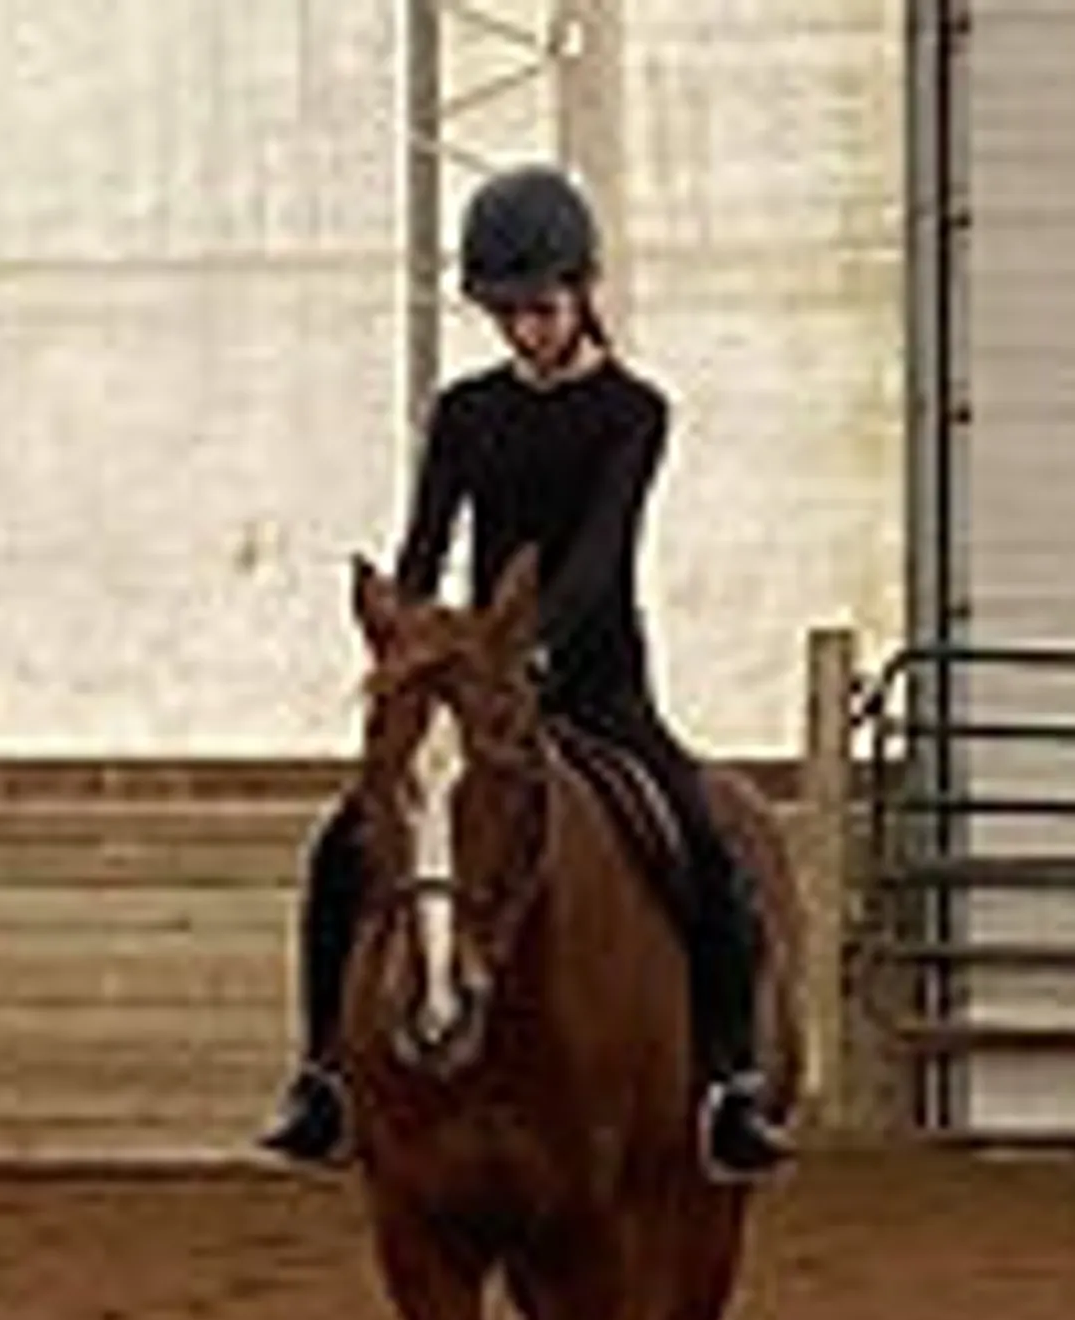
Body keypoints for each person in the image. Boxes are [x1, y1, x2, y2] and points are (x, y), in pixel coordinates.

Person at [259, 162, 791, 1182]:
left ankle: (726, 1085)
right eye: (504, 313)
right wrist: (408, 638)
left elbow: (600, 552)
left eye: (539, 308)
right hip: (475, 684)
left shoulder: (632, 413)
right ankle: (323, 1075)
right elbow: (424, 541)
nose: (524, 331)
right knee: (338, 850)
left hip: (595, 681)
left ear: (581, 292)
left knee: (705, 845)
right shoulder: (465, 413)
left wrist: (533, 646)